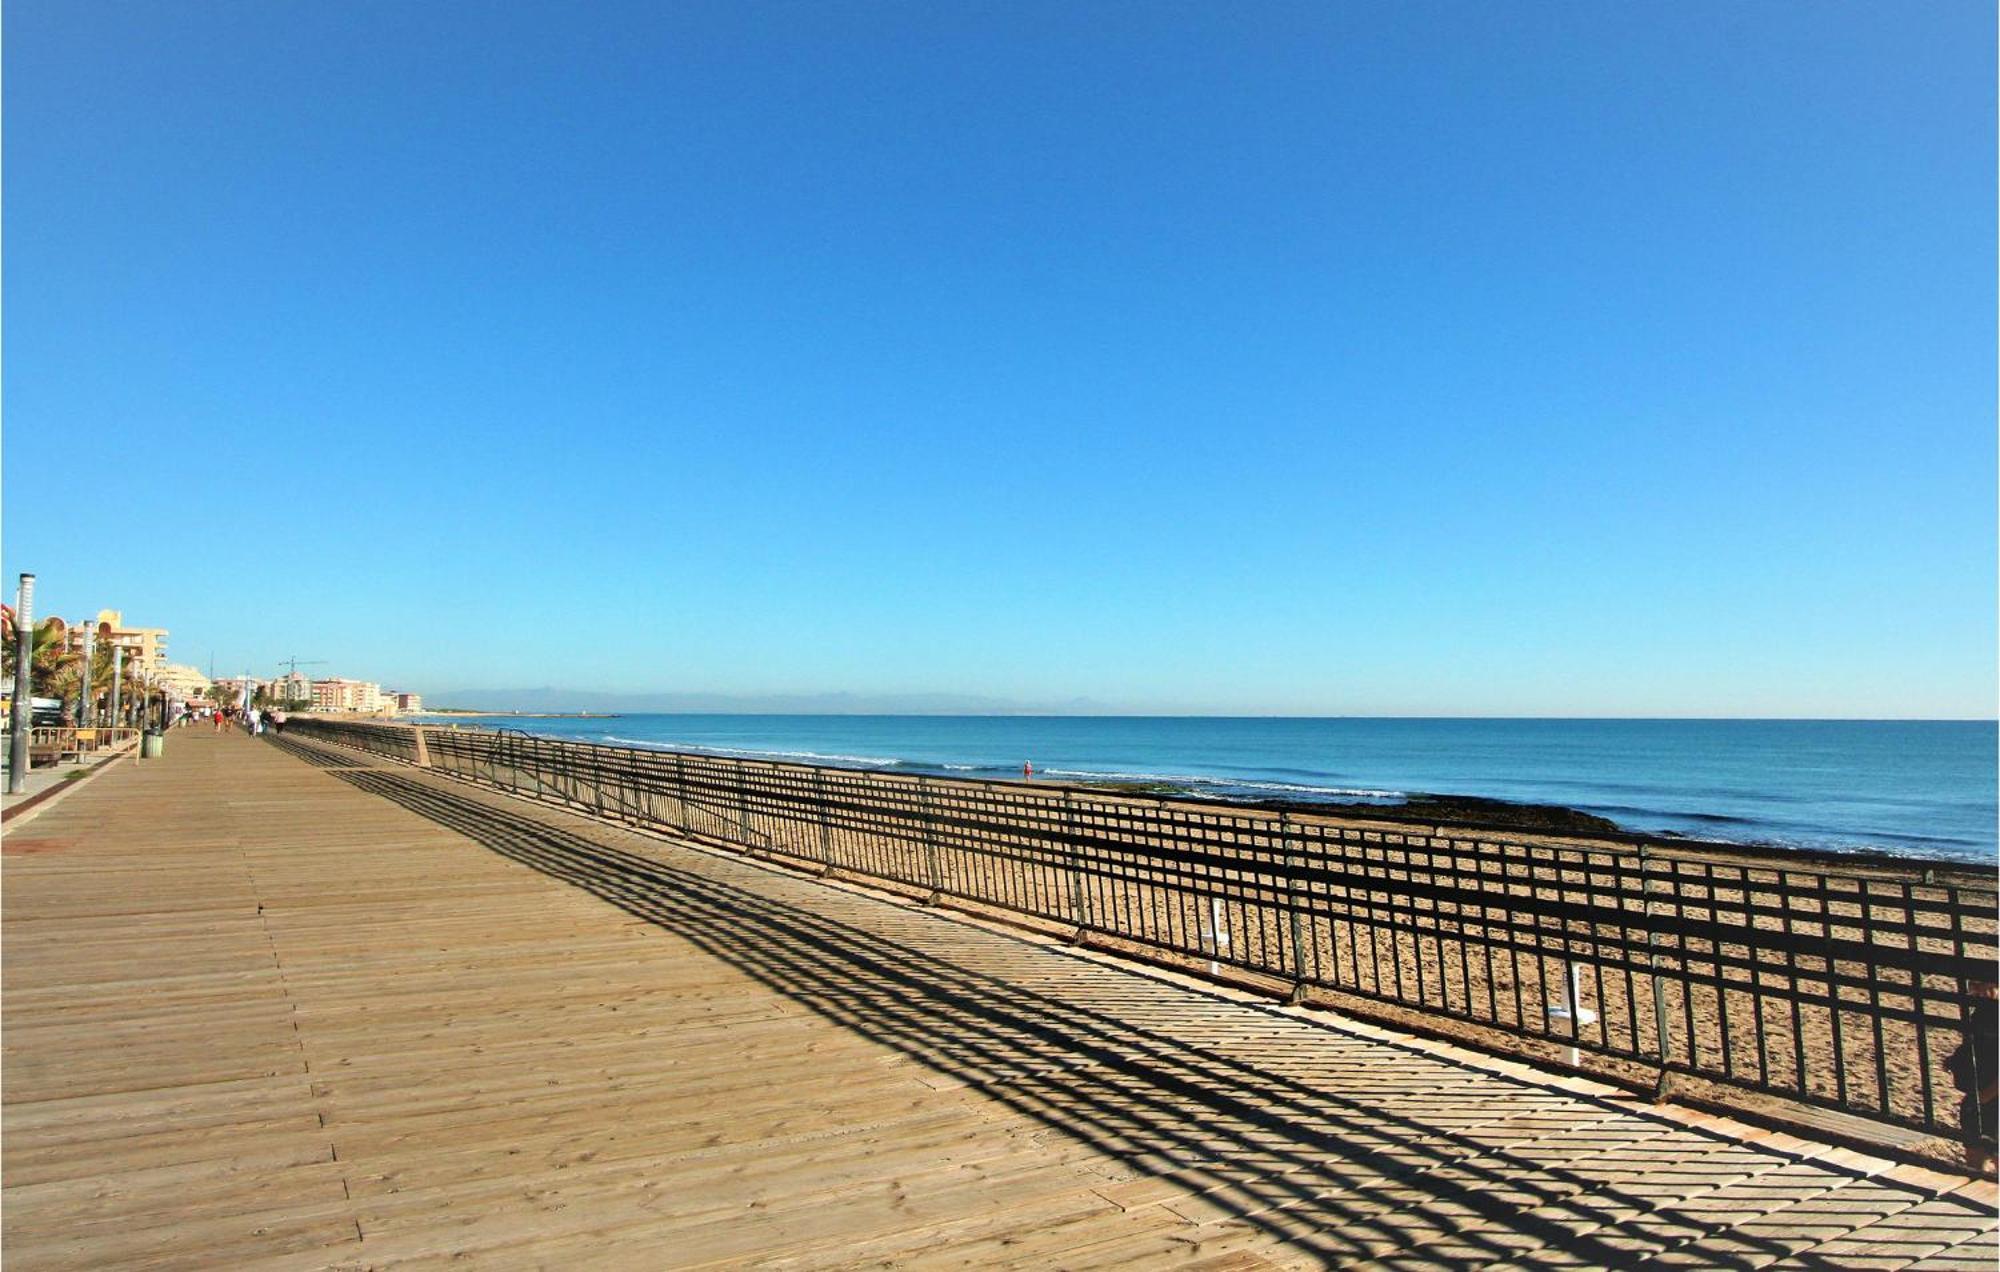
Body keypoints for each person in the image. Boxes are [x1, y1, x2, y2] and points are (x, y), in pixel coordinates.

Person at [1950, 979, 1998, 1174]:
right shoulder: (1983, 1011)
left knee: (1992, 1147)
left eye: (1983, 986)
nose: (1977, 992)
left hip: (1991, 1091)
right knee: (1975, 1150)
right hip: (1979, 1091)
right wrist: (1955, 1059)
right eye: (1974, 987)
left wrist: (1989, 1092)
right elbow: (1974, 1043)